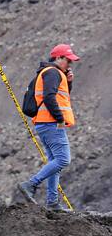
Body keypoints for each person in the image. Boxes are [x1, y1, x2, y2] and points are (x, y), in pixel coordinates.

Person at [17, 44, 79, 210]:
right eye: (68, 60)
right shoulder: (52, 72)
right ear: (58, 58)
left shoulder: (53, 73)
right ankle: (31, 184)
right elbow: (50, 97)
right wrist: (60, 119)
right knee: (63, 159)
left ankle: (52, 202)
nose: (70, 64)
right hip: (51, 123)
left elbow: (60, 97)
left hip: (44, 123)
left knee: (55, 162)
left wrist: (69, 82)